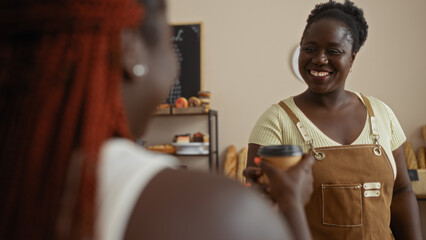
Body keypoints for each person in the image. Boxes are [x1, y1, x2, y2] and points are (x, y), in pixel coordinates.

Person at [0, 0, 315, 240]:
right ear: (131, 50)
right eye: (168, 39)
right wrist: (290, 204)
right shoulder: (217, 213)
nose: (175, 64)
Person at [246, 0, 423, 239]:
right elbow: (259, 206)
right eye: (309, 48)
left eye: (333, 51)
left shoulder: (381, 114)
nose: (319, 59)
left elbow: (401, 190)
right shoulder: (275, 122)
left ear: (352, 57)